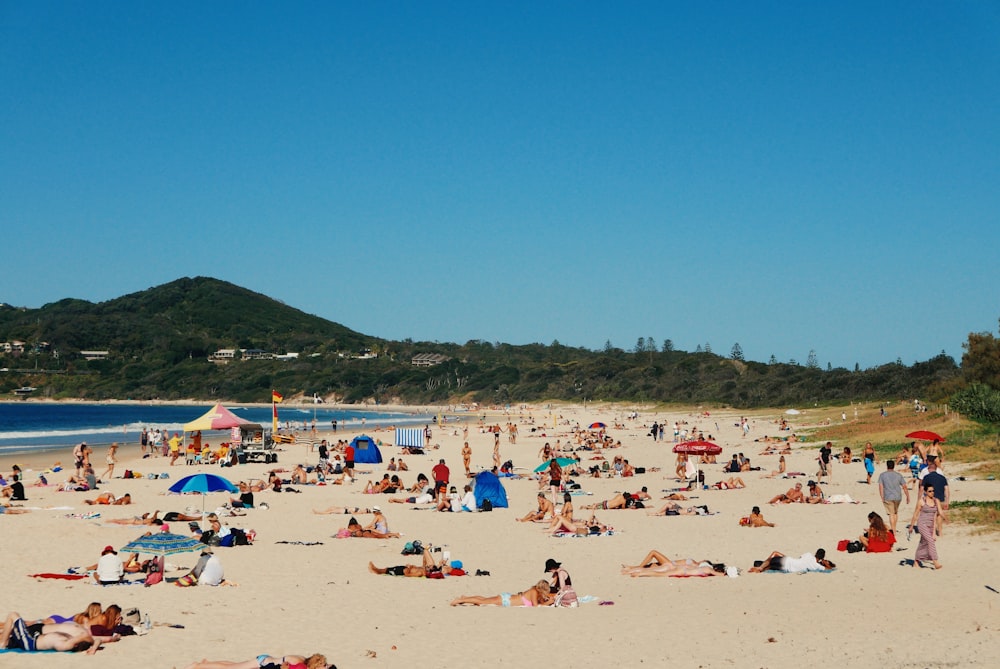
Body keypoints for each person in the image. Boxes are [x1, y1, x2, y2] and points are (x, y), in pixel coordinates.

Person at [1, 612, 102, 654]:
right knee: (13, 631)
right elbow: (97, 639)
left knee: (13, 615)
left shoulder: (65, 645)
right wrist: (93, 648)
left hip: (29, 642)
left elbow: (85, 636)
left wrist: (88, 641)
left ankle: (3, 644)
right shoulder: (69, 640)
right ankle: (4, 642)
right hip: (32, 638)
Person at [620, 550, 728, 577]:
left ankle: (634, 569)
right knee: (652, 566)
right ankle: (631, 568)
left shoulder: (695, 564)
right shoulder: (694, 564)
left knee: (653, 557)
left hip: (670, 565)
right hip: (671, 565)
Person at [369, 548, 463, 578]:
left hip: (409, 570)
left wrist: (410, 568)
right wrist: (440, 564)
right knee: (425, 551)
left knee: (387, 570)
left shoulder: (421, 573)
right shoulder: (443, 568)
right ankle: (377, 569)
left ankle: (377, 570)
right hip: (423, 568)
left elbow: (408, 575)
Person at [910, 483, 943, 569]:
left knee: (923, 543)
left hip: (931, 525)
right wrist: (911, 526)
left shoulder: (936, 501)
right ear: (925, 492)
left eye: (933, 491)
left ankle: (916, 562)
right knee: (930, 541)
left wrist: (934, 532)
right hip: (922, 524)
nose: (932, 492)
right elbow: (915, 514)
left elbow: (935, 517)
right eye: (930, 491)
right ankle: (935, 561)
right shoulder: (921, 501)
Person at [450, 580, 553, 607]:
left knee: (484, 599)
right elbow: (535, 606)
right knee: (482, 602)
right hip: (506, 600)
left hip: (507, 598)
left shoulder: (534, 591)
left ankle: (466, 597)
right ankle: (461, 600)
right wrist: (548, 603)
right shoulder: (534, 592)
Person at [878, 459, 910, 534]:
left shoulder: (882, 475)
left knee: (891, 514)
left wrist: (882, 496)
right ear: (894, 466)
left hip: (888, 496)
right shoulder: (898, 475)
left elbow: (881, 487)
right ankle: (894, 528)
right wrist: (907, 496)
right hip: (898, 496)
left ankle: (893, 530)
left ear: (887, 466)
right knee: (895, 513)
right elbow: (904, 486)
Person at [920, 457, 949, 535]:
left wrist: (920, 498)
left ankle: (932, 532)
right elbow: (946, 489)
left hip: (931, 499)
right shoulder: (942, 478)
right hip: (941, 498)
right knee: (939, 516)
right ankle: (940, 531)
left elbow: (921, 488)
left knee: (931, 516)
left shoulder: (926, 477)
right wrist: (947, 501)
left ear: (929, 469)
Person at [184, 654, 329, 669]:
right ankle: (196, 666)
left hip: (264, 663)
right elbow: (284, 663)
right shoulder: (299, 661)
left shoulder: (303, 662)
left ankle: (207, 663)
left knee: (234, 664)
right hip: (263, 663)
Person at [748, 549, 836, 573]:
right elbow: (829, 569)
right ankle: (761, 569)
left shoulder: (809, 554)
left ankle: (760, 567)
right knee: (770, 566)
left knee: (774, 554)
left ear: (816, 553)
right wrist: (824, 563)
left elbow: (799, 558)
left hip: (788, 561)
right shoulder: (817, 566)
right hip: (787, 569)